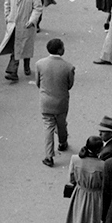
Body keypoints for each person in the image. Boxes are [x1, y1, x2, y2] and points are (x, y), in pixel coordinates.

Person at [65, 136, 109, 223]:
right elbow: (106, 185)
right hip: (96, 198)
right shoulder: (103, 165)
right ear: (99, 149)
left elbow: (71, 179)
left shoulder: (75, 159)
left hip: (80, 195)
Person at [36, 37, 76, 167]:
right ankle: (62, 142)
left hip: (46, 102)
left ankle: (49, 156)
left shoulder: (40, 64)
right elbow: (70, 85)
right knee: (61, 123)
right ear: (59, 50)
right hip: (61, 102)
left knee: (48, 127)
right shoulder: (68, 67)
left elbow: (38, 83)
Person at [1, 0, 43, 81]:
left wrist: (32, 20)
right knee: (16, 47)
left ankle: (26, 65)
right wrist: (7, 17)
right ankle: (12, 71)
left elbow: (37, 8)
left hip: (26, 25)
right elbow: (7, 4)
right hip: (13, 24)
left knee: (25, 47)